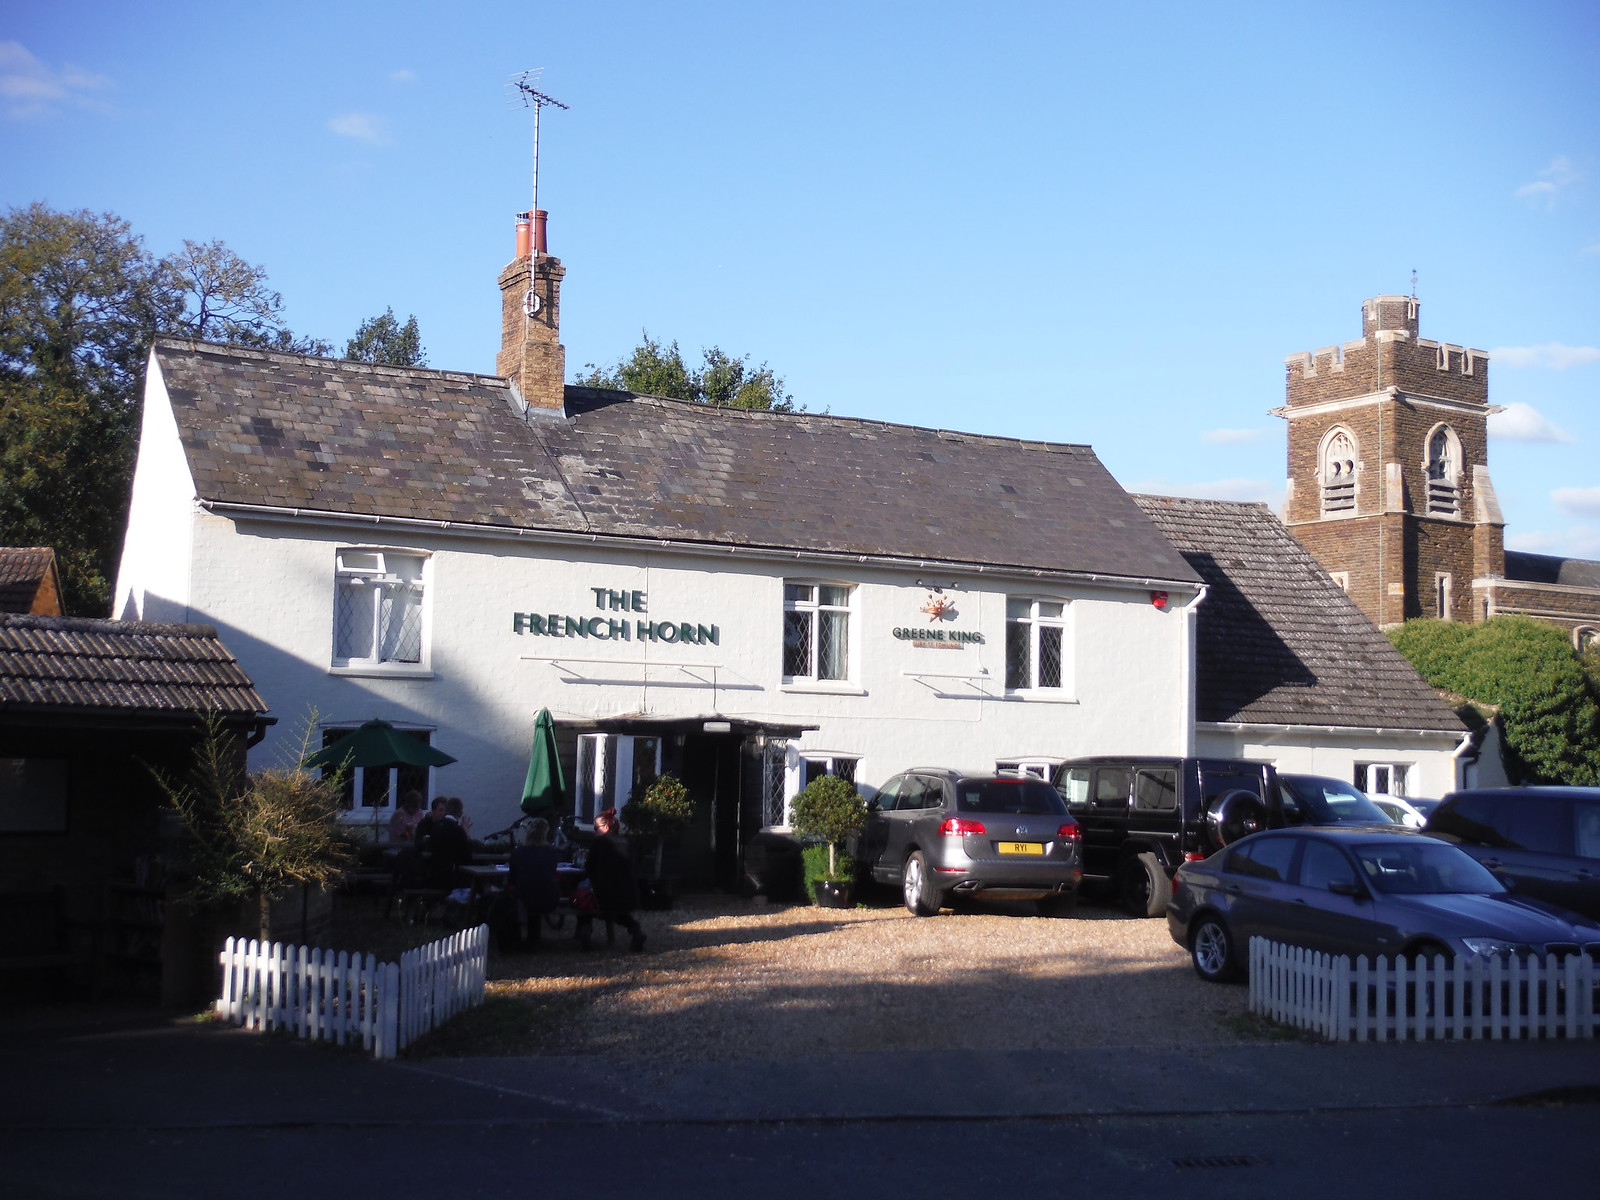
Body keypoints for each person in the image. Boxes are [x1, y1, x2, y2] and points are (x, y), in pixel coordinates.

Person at [577, 808, 646, 952]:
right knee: (618, 910)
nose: (594, 832)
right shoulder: (629, 842)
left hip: (604, 896)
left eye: (596, 828)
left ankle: (585, 930)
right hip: (631, 895)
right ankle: (635, 930)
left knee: (584, 897)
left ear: (606, 827)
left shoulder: (599, 843)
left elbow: (589, 869)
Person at [491, 818, 563, 952]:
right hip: (550, 898)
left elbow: (512, 879)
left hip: (524, 899)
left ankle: (515, 939)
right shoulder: (552, 853)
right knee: (536, 890)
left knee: (511, 896)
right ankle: (534, 939)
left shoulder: (518, 852)